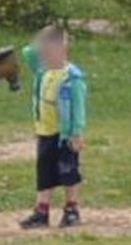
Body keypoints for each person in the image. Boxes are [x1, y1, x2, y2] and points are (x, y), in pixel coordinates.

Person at [19, 25, 87, 229]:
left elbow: (78, 107)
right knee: (44, 173)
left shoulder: (72, 77)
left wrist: (76, 133)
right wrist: (42, 38)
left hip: (64, 135)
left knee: (68, 172)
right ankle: (42, 211)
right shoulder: (43, 71)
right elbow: (27, 52)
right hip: (45, 132)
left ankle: (71, 209)